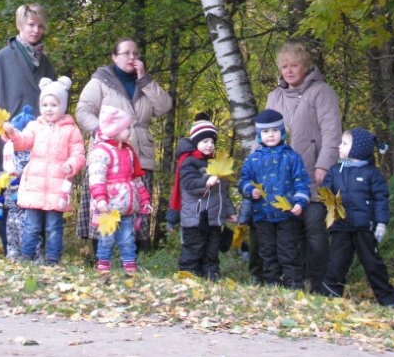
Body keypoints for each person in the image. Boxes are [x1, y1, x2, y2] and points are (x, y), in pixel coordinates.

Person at [75, 38, 172, 251]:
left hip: (138, 154)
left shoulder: (144, 82)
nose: (132, 57)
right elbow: (82, 111)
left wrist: (145, 80)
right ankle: (98, 258)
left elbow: (164, 106)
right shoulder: (101, 81)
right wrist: (101, 132)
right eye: (127, 53)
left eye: (135, 54)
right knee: (103, 205)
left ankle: (133, 259)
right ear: (114, 57)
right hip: (106, 156)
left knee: (137, 207)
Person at [266, 41, 342, 292]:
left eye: (294, 65)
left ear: (305, 66)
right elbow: (264, 135)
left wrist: (324, 165)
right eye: (284, 66)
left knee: (316, 234)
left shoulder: (322, 92)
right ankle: (293, 285)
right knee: (289, 237)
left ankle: (319, 285)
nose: (288, 71)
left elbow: (332, 132)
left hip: (314, 177)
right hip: (282, 180)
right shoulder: (274, 97)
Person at [0, 4, 56, 252]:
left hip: (40, 141)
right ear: (19, 26)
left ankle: (36, 250)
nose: (36, 30)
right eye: (31, 25)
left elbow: (55, 102)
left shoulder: (45, 63)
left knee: (39, 194)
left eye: (40, 26)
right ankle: (11, 248)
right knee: (9, 196)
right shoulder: (1, 59)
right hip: (9, 140)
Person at [3, 77, 85, 264]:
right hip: (34, 185)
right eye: (45, 104)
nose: (49, 109)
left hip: (58, 187)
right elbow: (22, 142)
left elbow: (79, 154)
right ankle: (26, 257)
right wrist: (12, 134)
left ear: (62, 106)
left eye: (54, 105)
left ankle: (52, 260)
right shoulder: (34, 126)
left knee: (54, 226)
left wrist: (71, 165)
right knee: (31, 225)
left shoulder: (72, 130)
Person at [321, 128, 394, 307]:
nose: (339, 146)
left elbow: (381, 199)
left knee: (372, 263)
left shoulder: (372, 174)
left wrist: (381, 224)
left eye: (345, 143)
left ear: (358, 149)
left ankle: (387, 298)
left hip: (365, 227)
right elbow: (326, 191)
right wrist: (330, 204)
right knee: (336, 261)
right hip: (341, 226)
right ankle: (330, 294)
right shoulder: (335, 171)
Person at [238, 109, 310, 289]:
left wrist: (300, 202)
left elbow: (301, 181)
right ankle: (272, 284)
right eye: (266, 132)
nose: (271, 135)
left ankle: (293, 284)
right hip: (263, 215)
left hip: (287, 215)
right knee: (267, 252)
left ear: (282, 133)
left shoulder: (292, 157)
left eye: (275, 131)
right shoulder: (253, 159)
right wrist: (250, 190)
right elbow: (244, 180)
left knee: (289, 251)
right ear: (259, 135)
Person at [169, 114, 237, 281]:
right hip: (195, 219)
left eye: (212, 142)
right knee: (193, 251)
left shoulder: (214, 164)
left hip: (215, 219)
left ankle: (211, 280)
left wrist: (229, 211)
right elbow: (189, 184)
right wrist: (207, 181)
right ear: (196, 142)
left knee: (211, 253)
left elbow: (222, 193)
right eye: (205, 141)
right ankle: (188, 278)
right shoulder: (189, 162)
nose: (209, 145)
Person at [89, 105, 152, 275]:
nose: (130, 131)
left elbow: (136, 179)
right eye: (126, 128)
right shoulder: (101, 152)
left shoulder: (128, 151)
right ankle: (103, 265)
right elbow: (96, 177)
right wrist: (100, 199)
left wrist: (144, 200)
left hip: (127, 207)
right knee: (107, 238)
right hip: (108, 207)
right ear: (115, 130)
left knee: (127, 238)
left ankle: (129, 266)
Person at [1, 105, 44, 262]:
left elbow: (26, 168)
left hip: (26, 197)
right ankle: (13, 254)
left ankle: (34, 256)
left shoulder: (31, 151)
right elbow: (6, 170)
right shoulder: (9, 150)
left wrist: (16, 172)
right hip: (11, 199)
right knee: (11, 226)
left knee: (27, 227)